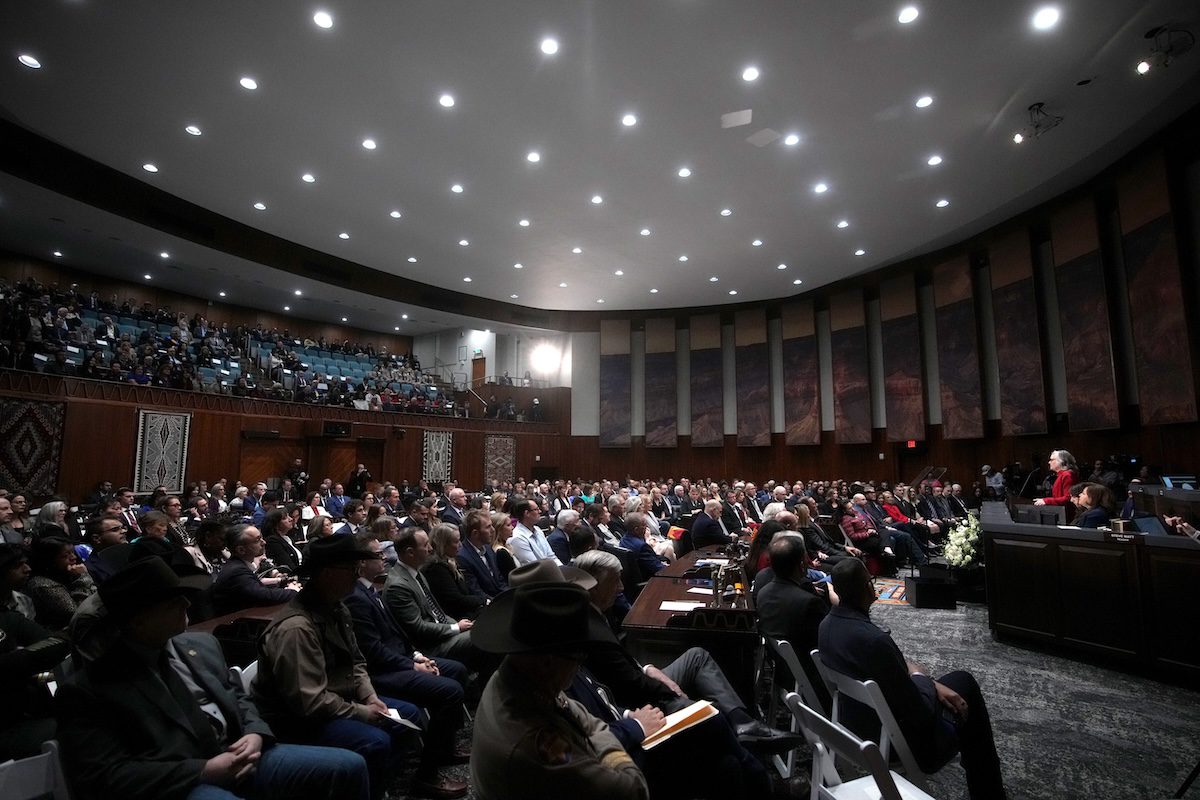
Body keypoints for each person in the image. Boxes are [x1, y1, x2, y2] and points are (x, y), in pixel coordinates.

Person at [56, 556, 370, 800]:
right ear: (138, 621)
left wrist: (256, 733)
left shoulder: (201, 644)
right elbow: (106, 776)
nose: (187, 605)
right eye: (173, 602)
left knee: (349, 766)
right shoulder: (90, 688)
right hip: (181, 781)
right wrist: (202, 771)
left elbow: (240, 697)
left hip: (241, 751)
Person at [253, 536, 450, 800]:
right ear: (326, 573)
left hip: (336, 698)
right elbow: (308, 702)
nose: (357, 576)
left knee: (408, 715)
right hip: (296, 720)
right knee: (376, 740)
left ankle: (381, 786)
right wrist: (361, 712)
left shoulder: (337, 607)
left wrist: (370, 696)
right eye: (351, 570)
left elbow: (357, 662)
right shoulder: (296, 628)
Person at [571, 550, 798, 751]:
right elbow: (629, 685)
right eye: (615, 581)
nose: (621, 587)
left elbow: (623, 661)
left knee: (697, 656)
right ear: (594, 584)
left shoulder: (596, 610)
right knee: (708, 716)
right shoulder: (590, 627)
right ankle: (738, 745)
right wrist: (668, 689)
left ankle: (742, 721)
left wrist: (648, 668)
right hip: (637, 703)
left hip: (638, 676)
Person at [818, 558, 1006, 800]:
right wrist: (921, 676)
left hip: (854, 726)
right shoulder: (875, 641)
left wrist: (932, 683)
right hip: (899, 740)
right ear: (867, 588)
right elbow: (921, 712)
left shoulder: (826, 626)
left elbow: (886, 674)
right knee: (965, 685)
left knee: (953, 682)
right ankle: (989, 792)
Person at [469, 576, 650, 800]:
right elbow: (633, 790)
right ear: (548, 662)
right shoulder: (537, 745)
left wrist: (595, 737)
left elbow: (579, 715)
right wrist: (611, 753)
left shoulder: (514, 676)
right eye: (577, 656)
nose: (579, 664)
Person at [382, 526, 493, 673]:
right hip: (430, 646)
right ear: (410, 552)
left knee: (485, 629)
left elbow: (435, 610)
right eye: (425, 545)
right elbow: (418, 628)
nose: (430, 548)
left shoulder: (415, 572)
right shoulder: (398, 586)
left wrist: (457, 626)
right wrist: (456, 628)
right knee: (486, 635)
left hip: (441, 633)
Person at [755, 535, 831, 710]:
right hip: (810, 674)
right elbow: (827, 643)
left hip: (780, 668)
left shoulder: (763, 592)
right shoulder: (809, 602)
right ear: (802, 565)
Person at [211, 524, 298, 615]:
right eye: (257, 540)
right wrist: (292, 591)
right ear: (241, 550)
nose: (264, 542)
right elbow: (263, 596)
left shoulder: (238, 566)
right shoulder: (236, 571)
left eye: (261, 538)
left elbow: (261, 590)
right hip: (233, 624)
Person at [421, 523, 487, 620]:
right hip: (457, 618)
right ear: (443, 544)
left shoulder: (449, 560)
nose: (460, 545)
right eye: (456, 542)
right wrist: (482, 600)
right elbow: (456, 600)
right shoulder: (436, 568)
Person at [456, 509, 508, 598]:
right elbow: (476, 592)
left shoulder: (487, 548)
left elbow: (499, 580)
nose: (493, 530)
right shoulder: (462, 558)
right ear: (475, 533)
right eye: (488, 527)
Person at [1034, 449, 1078, 517]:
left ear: (1062, 461)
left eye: (1052, 460)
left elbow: (1068, 498)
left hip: (1067, 515)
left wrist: (1046, 501)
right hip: (1062, 513)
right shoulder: (1062, 475)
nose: (1049, 462)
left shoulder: (1067, 475)